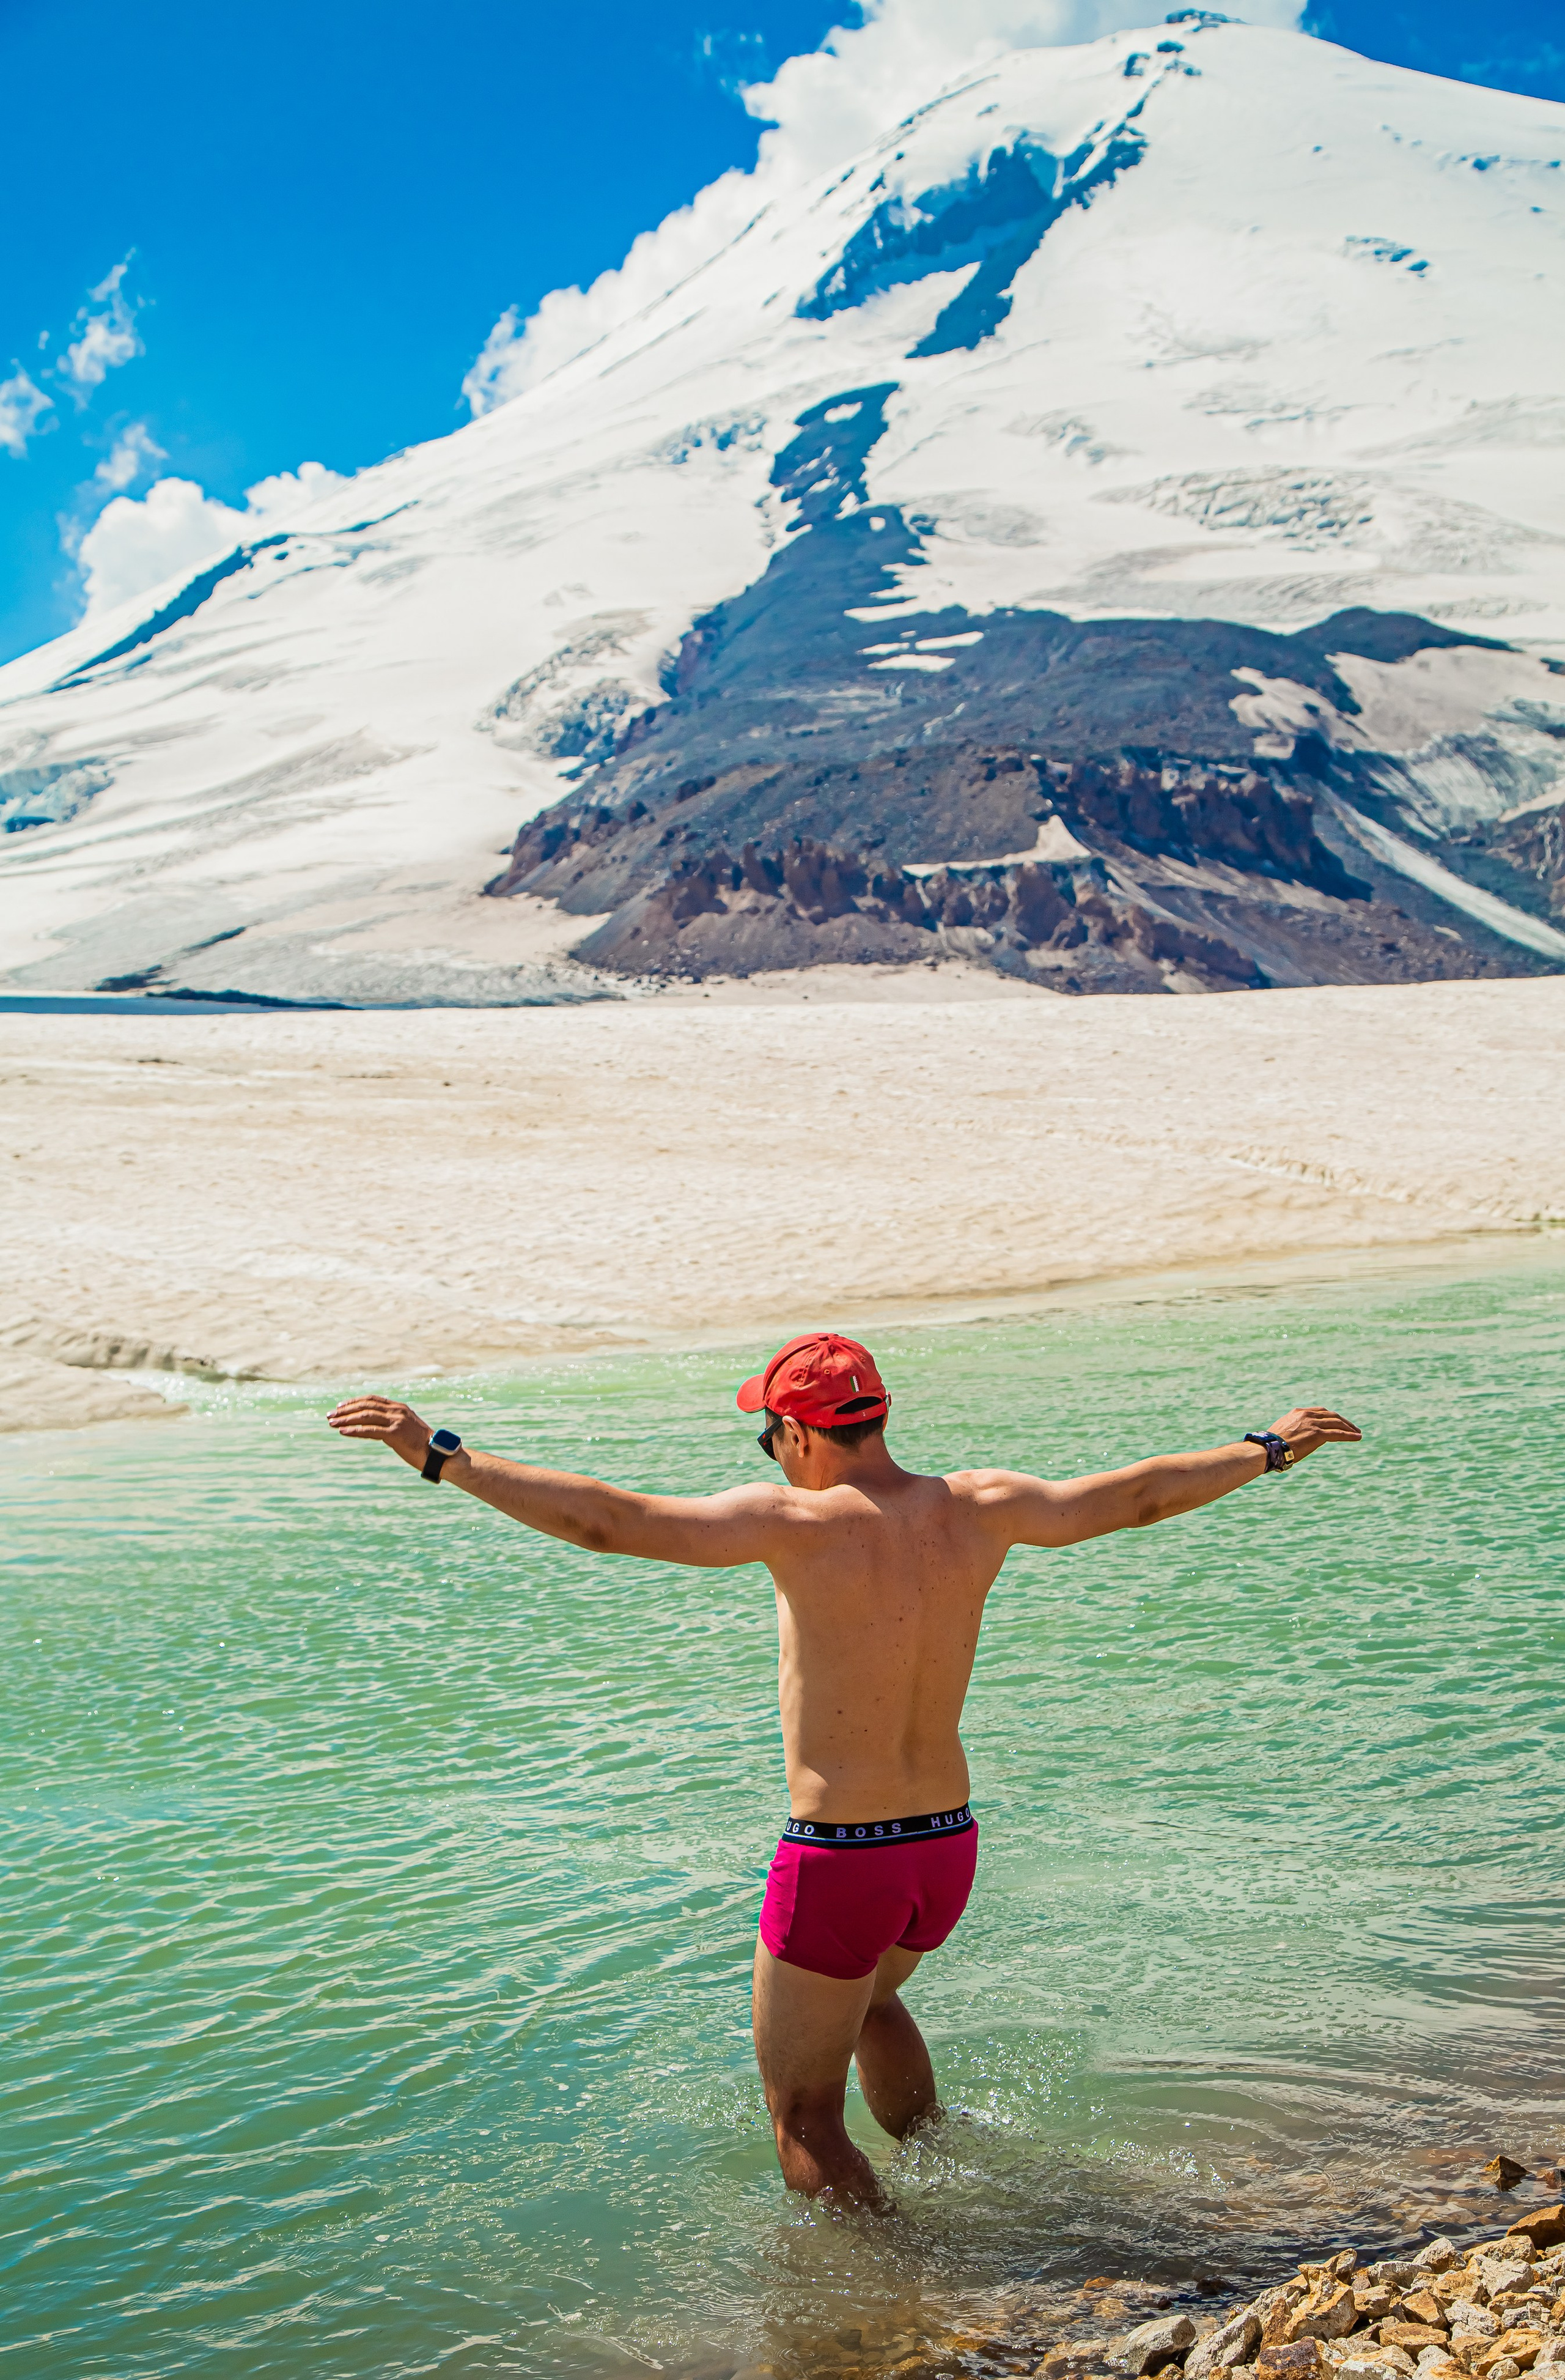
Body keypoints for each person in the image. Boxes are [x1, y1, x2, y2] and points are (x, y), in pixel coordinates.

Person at [328, 1331, 1360, 2211]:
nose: (769, 1452)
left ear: (806, 1431)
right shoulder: (983, 1504)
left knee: (803, 2117)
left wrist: (444, 1456)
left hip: (841, 1859)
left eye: (769, 1432)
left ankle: (902, 2295)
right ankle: (943, 2155)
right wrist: (1266, 1448)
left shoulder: (796, 1523)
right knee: (867, 2004)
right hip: (943, 1850)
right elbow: (1133, 1498)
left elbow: (608, 1521)